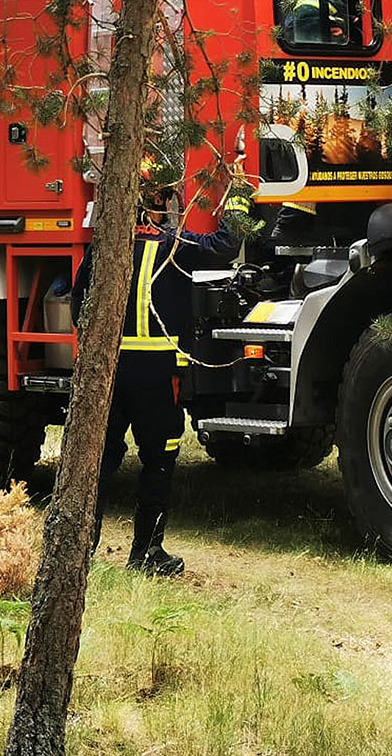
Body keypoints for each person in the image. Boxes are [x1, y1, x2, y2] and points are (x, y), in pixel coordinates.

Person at [78, 154, 251, 576]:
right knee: (159, 457)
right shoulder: (174, 249)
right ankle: (146, 553)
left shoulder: (103, 250)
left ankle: (82, 550)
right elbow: (226, 247)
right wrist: (242, 192)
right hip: (158, 376)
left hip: (111, 375)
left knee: (100, 461)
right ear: (159, 202)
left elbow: (77, 307)